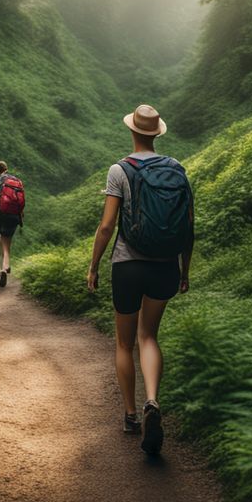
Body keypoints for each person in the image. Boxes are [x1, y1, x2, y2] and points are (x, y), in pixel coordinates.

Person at [86, 104, 194, 456]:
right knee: (149, 337)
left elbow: (106, 226)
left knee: (124, 343)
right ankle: (152, 400)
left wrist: (94, 266)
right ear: (156, 133)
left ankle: (132, 416)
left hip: (127, 266)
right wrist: (185, 269)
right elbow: (188, 226)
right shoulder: (177, 169)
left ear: (133, 131)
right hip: (165, 266)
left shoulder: (120, 170)